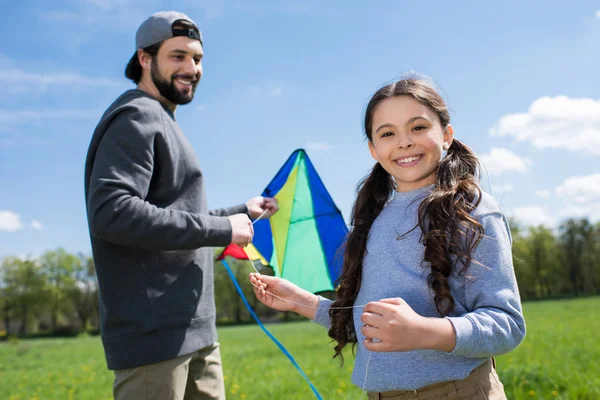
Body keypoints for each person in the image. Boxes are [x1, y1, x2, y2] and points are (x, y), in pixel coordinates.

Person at [250, 75, 525, 399]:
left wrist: (424, 332)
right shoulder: (373, 218)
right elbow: (369, 323)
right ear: (373, 149)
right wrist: (302, 302)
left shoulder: (474, 211)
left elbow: (507, 325)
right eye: (388, 133)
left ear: (447, 135)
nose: (404, 142)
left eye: (418, 127)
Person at [84, 11, 278, 400]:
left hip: (197, 330)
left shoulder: (164, 119)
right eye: (178, 56)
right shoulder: (135, 115)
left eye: (198, 58)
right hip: (155, 341)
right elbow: (113, 212)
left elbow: (177, 213)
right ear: (144, 58)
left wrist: (240, 212)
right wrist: (224, 230)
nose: (192, 68)